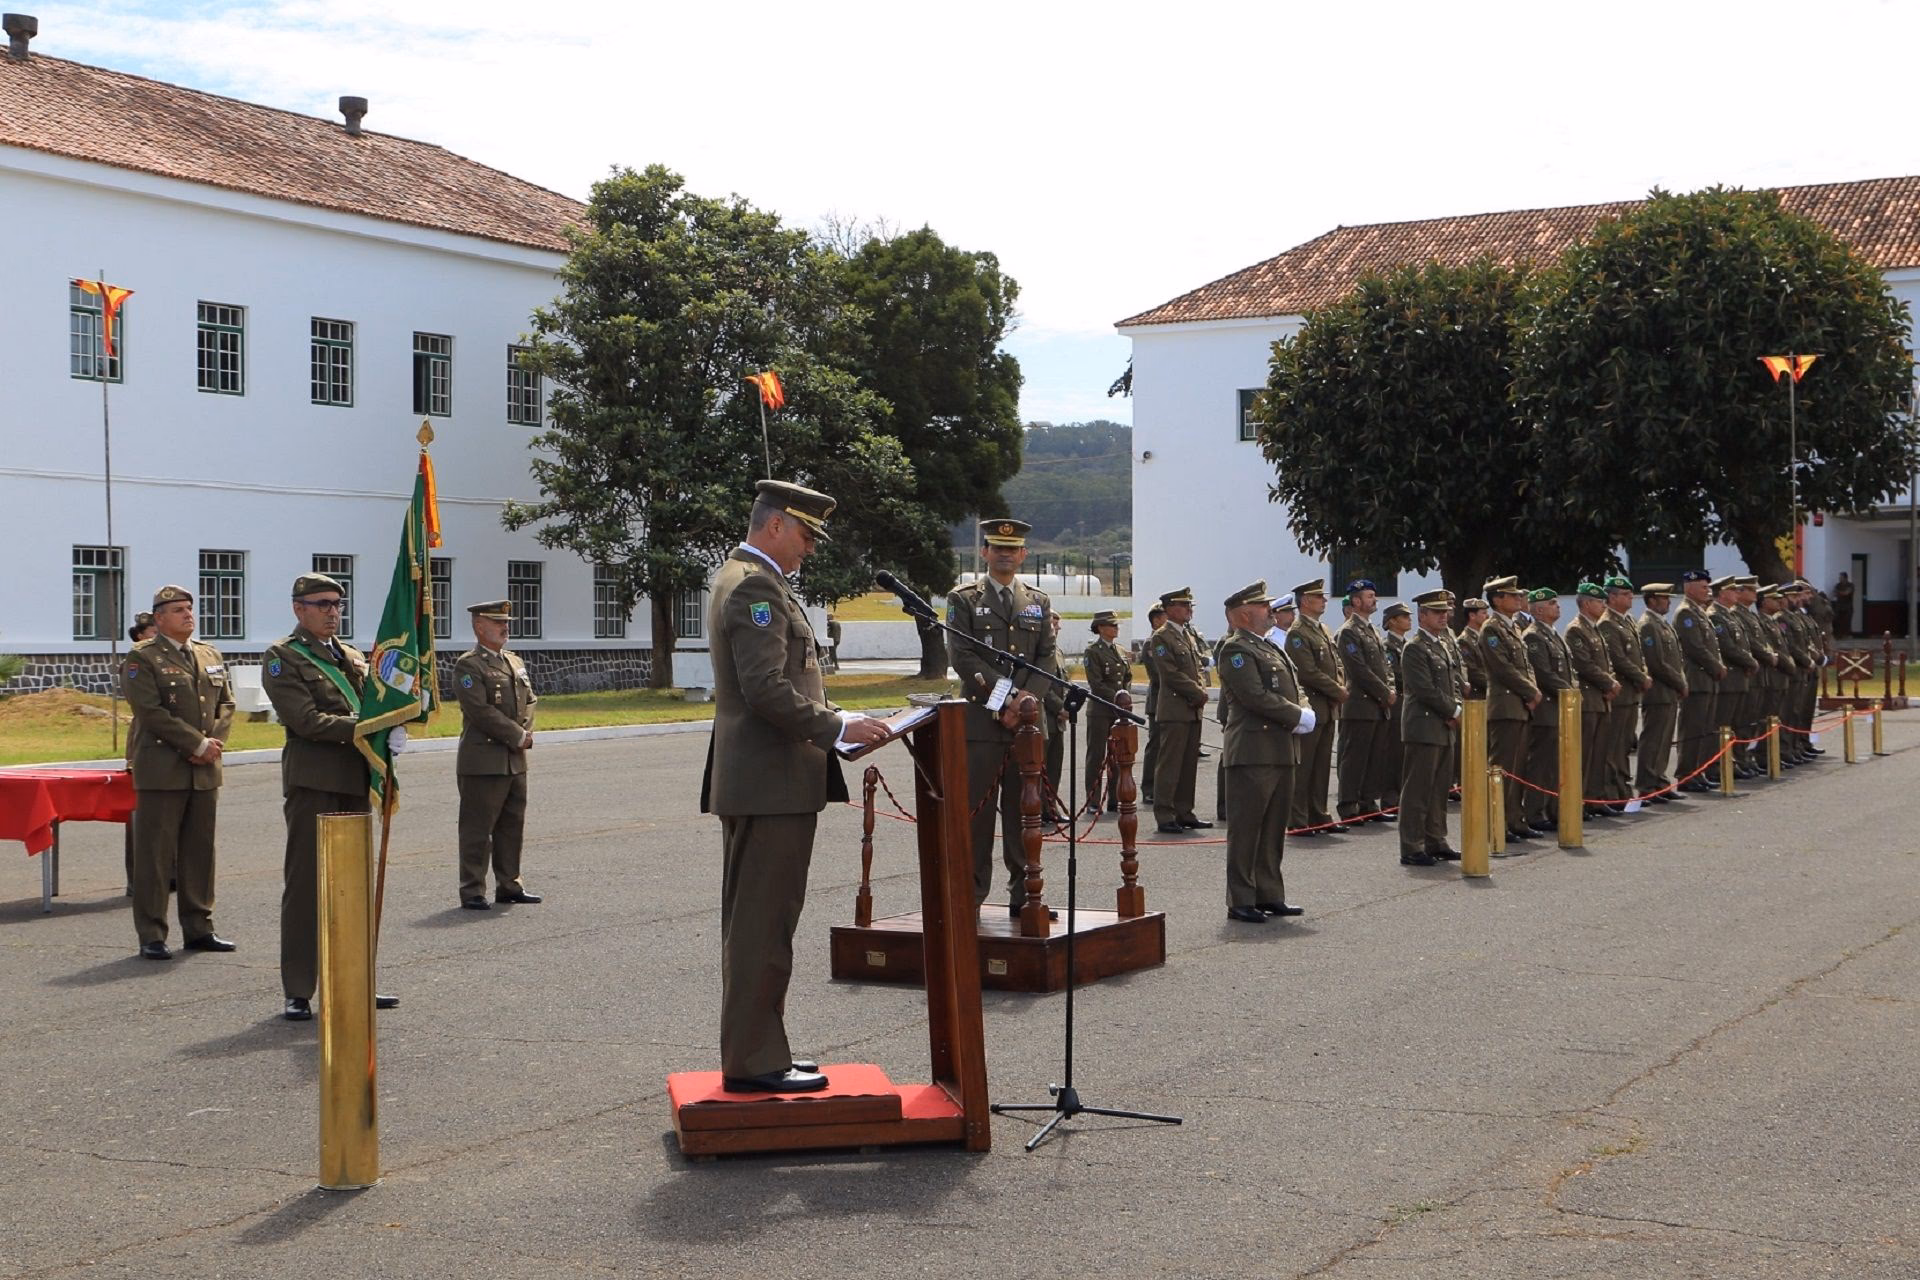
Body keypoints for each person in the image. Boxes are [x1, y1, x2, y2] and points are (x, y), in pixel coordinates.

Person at [700, 480, 888, 1093]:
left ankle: (760, 1050)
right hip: (769, 784)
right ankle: (755, 1061)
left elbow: (781, 682)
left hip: (767, 781)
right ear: (776, 524)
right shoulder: (754, 587)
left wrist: (835, 722)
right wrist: (836, 728)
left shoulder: (749, 579)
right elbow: (765, 689)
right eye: (806, 534)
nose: (809, 548)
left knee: (762, 923)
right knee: (762, 926)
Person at [261, 573, 396, 1021]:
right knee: (307, 887)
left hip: (353, 779)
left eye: (337, 603)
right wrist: (369, 728)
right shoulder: (283, 656)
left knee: (353, 886)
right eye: (322, 604)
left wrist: (391, 724)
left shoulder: (351, 656)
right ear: (299, 608)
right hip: (314, 782)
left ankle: (354, 982)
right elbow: (305, 720)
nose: (332, 611)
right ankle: (299, 988)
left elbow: (372, 704)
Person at [947, 518, 1059, 913]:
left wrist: (1026, 703)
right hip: (982, 722)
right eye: (997, 548)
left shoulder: (1037, 601)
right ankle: (971, 898)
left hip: (1026, 726)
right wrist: (1007, 699)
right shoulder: (963, 599)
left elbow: (1046, 656)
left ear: (1023, 554)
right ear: (985, 553)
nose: (1005, 555)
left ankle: (1026, 895)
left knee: (1024, 813)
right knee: (976, 817)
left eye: (1012, 549)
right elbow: (962, 657)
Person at [120, 585, 235, 960]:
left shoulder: (208, 653)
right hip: (162, 769)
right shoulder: (143, 657)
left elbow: (226, 703)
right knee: (155, 855)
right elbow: (150, 711)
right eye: (178, 610)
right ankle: (152, 933)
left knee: (200, 852)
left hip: (204, 771)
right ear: (159, 618)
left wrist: (213, 744)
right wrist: (195, 745)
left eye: (189, 608)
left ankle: (199, 927)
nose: (188, 614)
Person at [1216, 581, 1309, 923]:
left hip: (1280, 748)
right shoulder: (1235, 649)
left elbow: (1293, 687)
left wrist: (1303, 707)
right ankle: (1241, 898)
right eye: (1262, 605)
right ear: (1244, 614)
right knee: (1247, 830)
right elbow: (1254, 696)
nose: (1270, 610)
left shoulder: (1268, 646)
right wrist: (1297, 715)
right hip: (1253, 751)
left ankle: (1269, 893)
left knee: (1272, 829)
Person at [453, 600, 542, 910]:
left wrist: (524, 732)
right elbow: (479, 710)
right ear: (479, 627)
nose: (505, 627)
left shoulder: (514, 661)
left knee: (511, 826)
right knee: (478, 829)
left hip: (515, 759)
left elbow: (530, 700)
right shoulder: (469, 665)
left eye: (506, 622)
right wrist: (517, 735)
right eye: (497, 622)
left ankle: (509, 884)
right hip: (483, 761)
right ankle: (472, 889)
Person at [1398, 590, 1462, 866]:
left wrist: (1456, 707)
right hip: (1424, 725)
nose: (1443, 616)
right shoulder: (1415, 647)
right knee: (1418, 789)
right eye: (1437, 612)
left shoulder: (1441, 644)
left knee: (1439, 788)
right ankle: (1412, 845)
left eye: (1445, 611)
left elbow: (1453, 683)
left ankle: (1436, 839)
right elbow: (1424, 688)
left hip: (1443, 725)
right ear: (1422, 616)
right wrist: (1453, 711)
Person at [1284, 578, 1349, 835]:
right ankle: (1298, 819)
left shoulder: (1323, 629)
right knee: (1305, 767)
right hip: (1313, 706)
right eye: (1318, 596)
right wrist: (1336, 690)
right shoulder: (1298, 632)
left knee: (1321, 767)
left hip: (1329, 706)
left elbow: (1337, 663)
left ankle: (1318, 814)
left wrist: (1339, 687)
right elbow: (1307, 671)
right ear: (1305, 601)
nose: (1324, 600)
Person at [1480, 576, 1541, 844]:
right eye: (1512, 595)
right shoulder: (1491, 629)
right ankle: (1496, 823)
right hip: (1505, 705)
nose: (1518, 599)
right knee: (1502, 768)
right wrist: (1530, 691)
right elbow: (1502, 668)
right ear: (1497, 600)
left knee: (1517, 768)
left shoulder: (1513, 626)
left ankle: (1515, 819)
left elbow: (1525, 666)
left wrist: (1531, 690)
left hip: (1520, 704)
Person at [1146, 588, 1211, 834]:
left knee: (1188, 765)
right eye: (1184, 605)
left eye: (1189, 605)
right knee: (1170, 764)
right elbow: (1170, 674)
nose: (1189, 610)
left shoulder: (1187, 635)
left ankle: (1185, 812)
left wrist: (1200, 690)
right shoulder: (1161, 637)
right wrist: (1196, 692)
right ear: (1170, 608)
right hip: (1175, 708)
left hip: (1192, 708)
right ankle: (1165, 814)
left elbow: (1197, 669)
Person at [1335, 578, 1394, 824]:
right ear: (1357, 601)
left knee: (1375, 758)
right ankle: (1349, 806)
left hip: (1378, 705)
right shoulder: (1349, 631)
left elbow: (1385, 666)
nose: (1375, 599)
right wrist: (1384, 692)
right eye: (1370, 596)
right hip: (1360, 705)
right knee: (1355, 759)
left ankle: (1368, 803)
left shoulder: (1372, 630)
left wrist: (1390, 687)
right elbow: (1359, 670)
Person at [1564, 582, 1621, 819]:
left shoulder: (1594, 628)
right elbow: (1584, 664)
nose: (1603, 605)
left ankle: (1595, 798)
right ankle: (1580, 799)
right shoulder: (1576, 630)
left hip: (1602, 698)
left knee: (1600, 753)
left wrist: (1611, 682)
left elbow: (1607, 663)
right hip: (1589, 699)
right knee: (1585, 755)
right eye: (1599, 601)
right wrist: (1608, 683)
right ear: (1587, 604)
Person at [1519, 588, 1571, 833]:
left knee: (1553, 764)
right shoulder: (1533, 636)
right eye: (1551, 603)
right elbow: (1544, 674)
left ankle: (1552, 809)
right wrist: (1570, 693)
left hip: (1557, 707)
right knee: (1540, 764)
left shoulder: (1552, 634)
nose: (1557, 606)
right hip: (1545, 709)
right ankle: (1534, 812)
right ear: (1538, 610)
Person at [1598, 575, 1652, 808]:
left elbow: (1638, 656)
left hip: (1631, 693)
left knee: (1625, 745)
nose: (1631, 597)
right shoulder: (1607, 623)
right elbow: (1618, 659)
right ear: (1612, 597)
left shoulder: (1627, 620)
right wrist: (1640, 677)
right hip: (1619, 693)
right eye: (1626, 594)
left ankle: (1623, 790)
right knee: (1613, 747)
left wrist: (1642, 674)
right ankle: (1611, 793)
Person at [1674, 570, 1728, 792]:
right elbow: (1695, 647)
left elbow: (1711, 646)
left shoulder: (1699, 612)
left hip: (1707, 680)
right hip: (1697, 679)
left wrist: (1717, 666)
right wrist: (1716, 666)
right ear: (1689, 587)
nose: (1708, 591)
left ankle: (1698, 772)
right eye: (1703, 587)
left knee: (1704, 730)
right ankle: (1686, 775)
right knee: (1693, 730)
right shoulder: (1685, 613)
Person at [1635, 584, 1687, 801]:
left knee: (1664, 740)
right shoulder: (1648, 625)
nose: (1668, 602)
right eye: (1664, 598)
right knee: (1653, 739)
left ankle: (1660, 781)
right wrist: (1679, 682)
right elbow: (1656, 663)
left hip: (1668, 691)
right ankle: (1647, 785)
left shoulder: (1661, 624)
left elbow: (1675, 659)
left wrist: (1679, 681)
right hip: (1658, 691)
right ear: (1652, 600)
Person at [1081, 610, 1131, 814]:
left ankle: (1115, 797)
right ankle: (1093, 801)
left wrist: (1125, 696)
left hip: (1117, 712)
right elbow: (1096, 683)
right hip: (1101, 710)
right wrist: (1118, 698)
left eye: (1117, 625)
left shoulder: (1119, 650)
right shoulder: (1093, 651)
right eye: (1112, 625)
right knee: (1096, 756)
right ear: (1100, 628)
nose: (1116, 628)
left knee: (1117, 756)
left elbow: (1126, 677)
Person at [1709, 576, 1759, 778]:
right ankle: (1719, 765)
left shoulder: (1729, 615)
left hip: (1739, 678)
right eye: (1733, 590)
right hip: (1729, 679)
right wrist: (1750, 662)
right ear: (1722, 593)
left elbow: (1742, 645)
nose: (1736, 593)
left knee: (1736, 725)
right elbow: (1727, 647)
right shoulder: (1716, 616)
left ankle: (1733, 761)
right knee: (1723, 726)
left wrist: (1748, 662)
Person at [1380, 601, 1412, 804]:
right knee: (1394, 751)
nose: (1409, 620)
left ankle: (1401, 794)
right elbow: (1395, 673)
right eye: (1404, 617)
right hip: (1398, 700)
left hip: (1408, 701)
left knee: (1406, 752)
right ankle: (1390, 798)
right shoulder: (1388, 646)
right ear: (1392, 621)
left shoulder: (1407, 644)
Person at [1139, 604, 1166, 803]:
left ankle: (1162, 788)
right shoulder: (1152, 643)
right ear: (1156, 620)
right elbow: (1158, 675)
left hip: (1171, 702)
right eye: (1165, 617)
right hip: (1158, 701)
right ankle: (1149, 788)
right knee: (1155, 746)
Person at [1832, 571, 1855, 638]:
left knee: (1847, 621)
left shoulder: (1850, 585)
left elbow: (1846, 593)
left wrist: (1839, 592)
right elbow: (1835, 594)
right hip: (1839, 606)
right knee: (1838, 621)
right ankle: (1839, 635)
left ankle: (1847, 635)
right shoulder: (1838, 585)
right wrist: (1840, 593)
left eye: (1841, 577)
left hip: (1848, 606)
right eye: (1839, 577)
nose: (1839, 578)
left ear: (1845, 578)